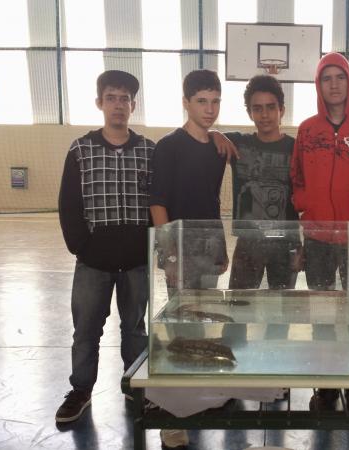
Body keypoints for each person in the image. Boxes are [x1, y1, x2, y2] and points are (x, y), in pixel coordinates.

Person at [56, 70, 154, 423]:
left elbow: (158, 202)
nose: (118, 105)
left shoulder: (149, 151)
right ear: (100, 103)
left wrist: (149, 245)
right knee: (86, 330)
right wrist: (82, 247)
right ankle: (81, 390)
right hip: (93, 262)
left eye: (125, 98)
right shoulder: (80, 149)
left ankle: (136, 386)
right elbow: (69, 204)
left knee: (135, 329)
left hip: (136, 262)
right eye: (111, 97)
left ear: (133, 106)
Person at [290, 52, 349, 411]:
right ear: (318, 84)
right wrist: (306, 207)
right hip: (317, 239)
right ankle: (327, 385)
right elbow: (297, 176)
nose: (334, 84)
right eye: (326, 78)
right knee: (322, 313)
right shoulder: (307, 129)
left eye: (340, 77)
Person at [148, 69, 228, 450]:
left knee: (201, 325)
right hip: (180, 251)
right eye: (201, 101)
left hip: (209, 249)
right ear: (186, 103)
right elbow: (158, 203)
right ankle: (171, 419)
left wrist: (221, 246)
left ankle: (194, 399)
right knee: (180, 329)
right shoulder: (168, 146)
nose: (209, 109)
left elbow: (211, 202)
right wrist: (169, 254)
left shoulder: (217, 148)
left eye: (215, 101)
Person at [213, 74, 301, 291]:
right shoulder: (238, 143)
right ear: (249, 112)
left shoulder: (296, 149)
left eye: (271, 107)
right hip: (248, 242)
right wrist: (215, 133)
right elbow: (205, 135)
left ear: (282, 110)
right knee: (239, 304)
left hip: (285, 242)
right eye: (257, 108)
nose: (264, 115)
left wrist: (300, 245)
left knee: (282, 308)